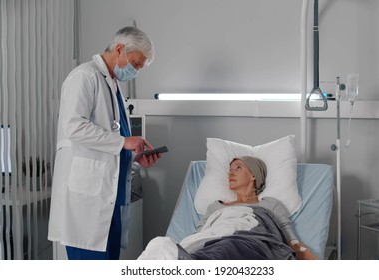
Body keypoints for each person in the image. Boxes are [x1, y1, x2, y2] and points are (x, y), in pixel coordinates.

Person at [48, 26, 161, 260]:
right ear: (119, 49)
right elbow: (74, 127)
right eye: (136, 63)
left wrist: (135, 157)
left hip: (111, 200)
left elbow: (111, 144)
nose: (136, 70)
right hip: (87, 203)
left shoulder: (113, 85)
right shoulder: (84, 76)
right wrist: (123, 142)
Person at [138, 156, 318, 260]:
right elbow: (198, 235)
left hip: (245, 239)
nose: (231, 173)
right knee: (158, 244)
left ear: (254, 175)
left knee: (226, 247)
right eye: (230, 170)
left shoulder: (269, 204)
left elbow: (292, 241)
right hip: (206, 243)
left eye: (238, 168)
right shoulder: (215, 207)